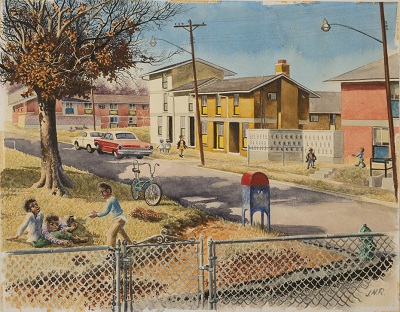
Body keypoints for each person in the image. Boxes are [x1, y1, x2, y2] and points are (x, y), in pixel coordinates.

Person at [89, 182, 132, 247]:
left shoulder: (111, 200)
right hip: (117, 219)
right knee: (121, 234)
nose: (101, 194)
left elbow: (106, 211)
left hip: (119, 219)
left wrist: (96, 214)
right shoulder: (110, 199)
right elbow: (104, 210)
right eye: (100, 192)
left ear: (108, 191)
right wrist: (96, 212)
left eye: (103, 192)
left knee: (111, 234)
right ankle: (130, 246)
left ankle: (111, 252)